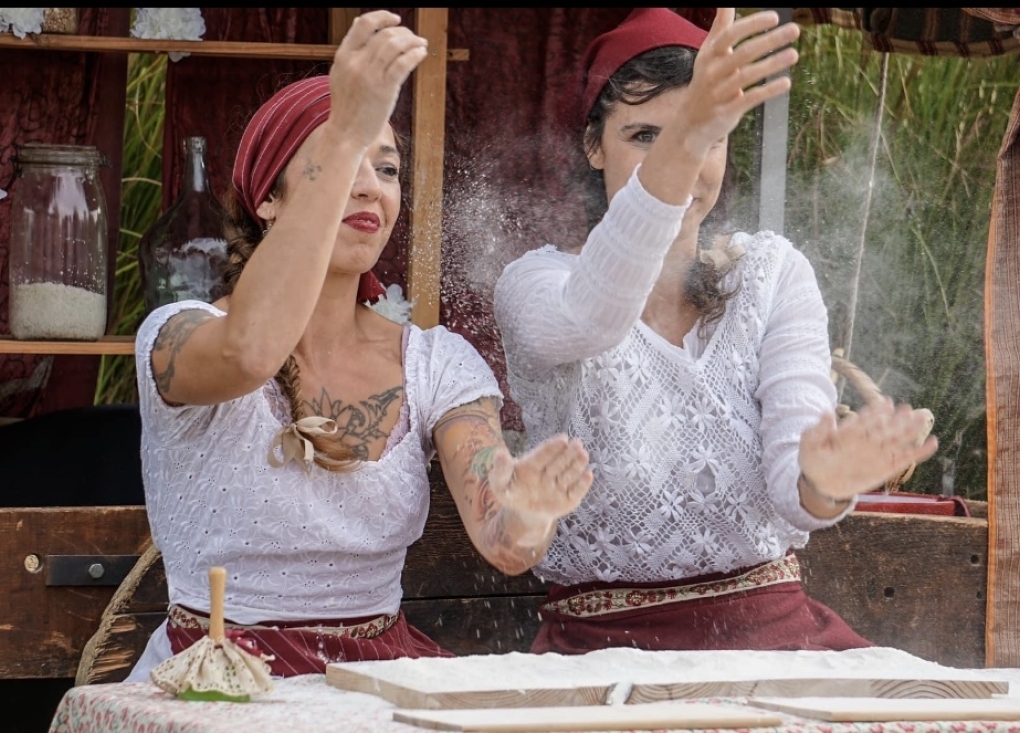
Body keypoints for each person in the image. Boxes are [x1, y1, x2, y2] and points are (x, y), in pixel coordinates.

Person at [125, 10, 593, 680]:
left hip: (375, 676)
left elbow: (506, 542)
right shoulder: (176, 333)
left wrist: (526, 509)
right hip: (217, 678)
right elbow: (250, 353)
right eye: (338, 160)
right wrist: (346, 127)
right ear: (268, 197)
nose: (371, 182)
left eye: (388, 166)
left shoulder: (436, 362)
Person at [493, 8, 939, 654]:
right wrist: (694, 124)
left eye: (705, 138)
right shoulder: (534, 285)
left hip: (777, 642)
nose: (684, 162)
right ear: (593, 145)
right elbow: (597, 312)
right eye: (646, 134)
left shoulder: (773, 275)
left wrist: (829, 478)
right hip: (600, 656)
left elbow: (798, 496)